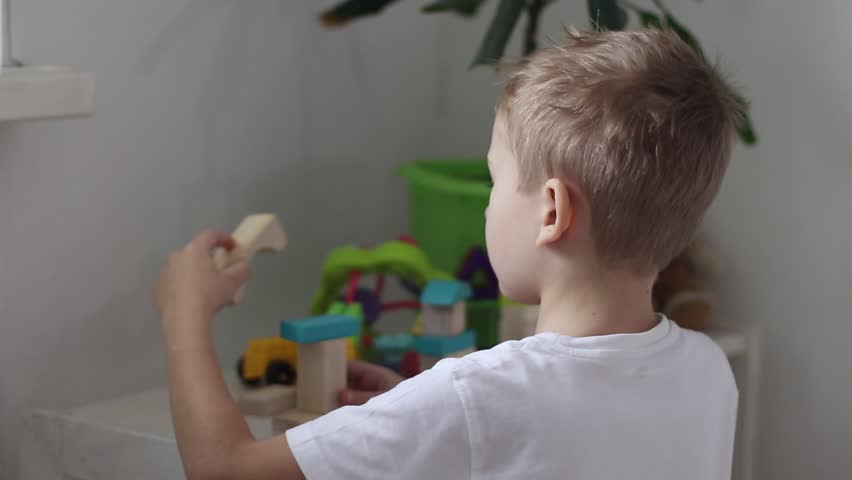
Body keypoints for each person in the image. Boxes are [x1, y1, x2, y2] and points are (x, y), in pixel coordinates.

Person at [155, 28, 740, 480]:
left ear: (552, 212)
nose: (489, 206)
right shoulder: (708, 372)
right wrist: (426, 422)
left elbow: (224, 470)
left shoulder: (477, 396)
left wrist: (185, 316)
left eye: (495, 180)